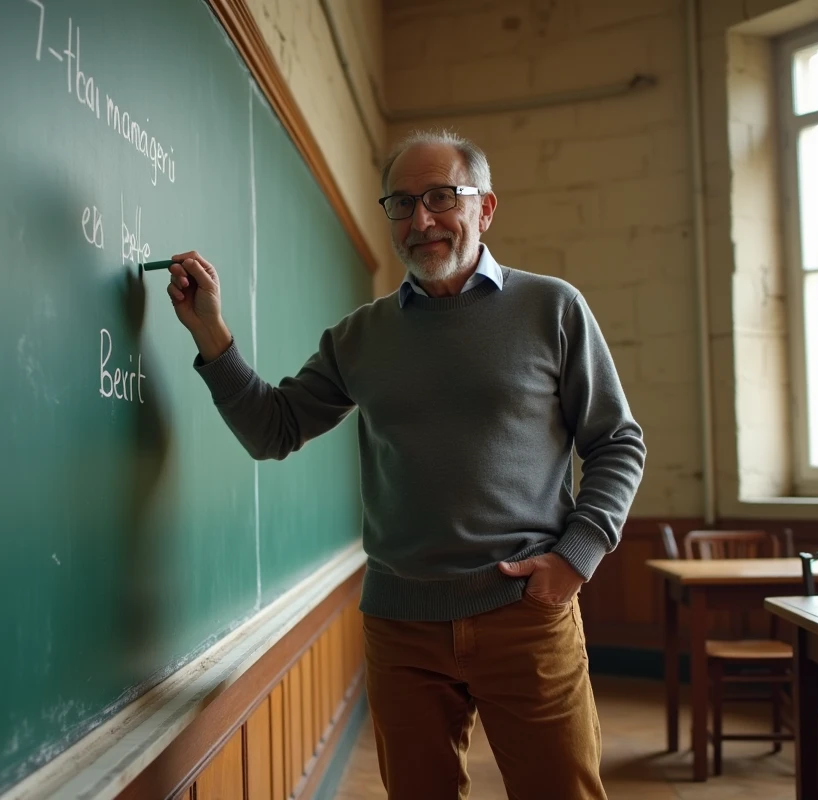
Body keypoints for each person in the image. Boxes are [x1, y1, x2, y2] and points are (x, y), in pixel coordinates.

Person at [164, 129, 645, 800]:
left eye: (442, 197)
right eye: (402, 203)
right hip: (401, 627)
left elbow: (618, 441)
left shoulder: (552, 308)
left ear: (486, 209)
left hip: (525, 614)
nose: (421, 220)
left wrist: (576, 558)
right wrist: (211, 334)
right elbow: (273, 430)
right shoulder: (360, 337)